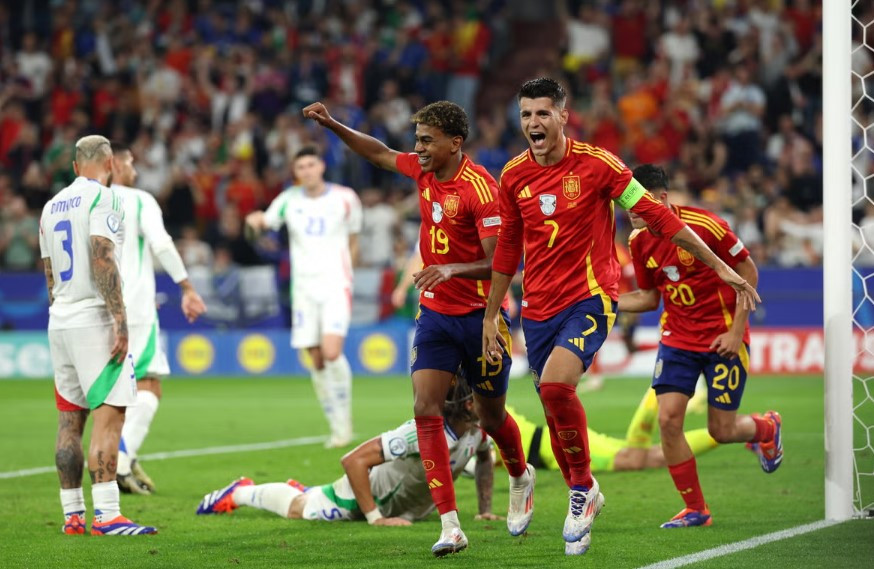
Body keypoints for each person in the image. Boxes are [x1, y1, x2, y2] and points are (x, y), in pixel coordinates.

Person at [481, 78, 760, 556]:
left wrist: (718, 266)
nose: (533, 123)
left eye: (543, 113)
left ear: (563, 115)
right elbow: (508, 247)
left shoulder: (599, 165)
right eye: (526, 114)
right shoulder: (512, 176)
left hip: (590, 298)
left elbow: (659, 216)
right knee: (554, 408)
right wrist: (493, 314)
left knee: (556, 388)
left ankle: (582, 490)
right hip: (539, 307)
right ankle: (570, 485)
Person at [303, 100, 533, 557]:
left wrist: (450, 269)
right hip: (436, 314)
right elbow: (378, 153)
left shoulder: (480, 189)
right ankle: (450, 525)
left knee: (490, 417)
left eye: (428, 140)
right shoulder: (423, 171)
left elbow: (502, 263)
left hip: (481, 317)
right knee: (426, 409)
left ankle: (520, 474)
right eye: (418, 139)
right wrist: (333, 125)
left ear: (455, 143)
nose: (419, 148)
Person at [618, 164, 782, 529]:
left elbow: (748, 271)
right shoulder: (638, 242)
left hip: (722, 338)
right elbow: (648, 297)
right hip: (677, 339)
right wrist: (603, 301)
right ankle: (696, 509)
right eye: (626, 201)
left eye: (637, 200)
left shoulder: (705, 225)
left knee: (721, 431)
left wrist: (737, 331)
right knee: (667, 420)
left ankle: (766, 428)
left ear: (661, 198)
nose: (630, 209)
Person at [38, 134, 156, 536]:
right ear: (110, 164)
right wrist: (119, 320)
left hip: (60, 320)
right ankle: (107, 515)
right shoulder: (105, 198)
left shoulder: (50, 207)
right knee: (110, 415)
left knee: (69, 422)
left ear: (75, 166)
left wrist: (62, 310)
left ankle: (72, 515)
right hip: (94, 321)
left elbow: (50, 273)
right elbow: (102, 255)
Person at [196, 378, 502, 530]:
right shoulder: (418, 434)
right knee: (300, 509)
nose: (491, 398)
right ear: (467, 404)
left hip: (406, 510)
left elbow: (484, 459)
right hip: (361, 498)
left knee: (310, 499)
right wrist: (375, 518)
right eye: (481, 395)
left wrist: (484, 508)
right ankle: (240, 492)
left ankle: (307, 492)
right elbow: (353, 460)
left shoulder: (477, 430)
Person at [245, 146, 363, 449]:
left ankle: (345, 422)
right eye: (301, 167)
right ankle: (335, 426)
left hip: (335, 284)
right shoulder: (288, 200)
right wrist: (253, 223)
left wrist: (348, 274)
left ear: (321, 166)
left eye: (311, 164)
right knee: (316, 359)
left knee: (332, 352)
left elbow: (353, 241)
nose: (307, 171)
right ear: (295, 173)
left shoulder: (345, 198)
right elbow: (263, 225)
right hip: (303, 289)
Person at [110, 143, 207, 495]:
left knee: (107, 395)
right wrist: (187, 288)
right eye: (130, 163)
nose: (134, 171)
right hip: (132, 307)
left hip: (91, 311)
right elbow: (162, 244)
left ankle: (119, 456)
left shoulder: (72, 201)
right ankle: (121, 461)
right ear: (114, 164)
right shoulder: (138, 200)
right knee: (149, 383)